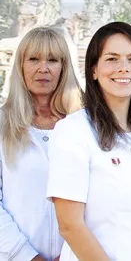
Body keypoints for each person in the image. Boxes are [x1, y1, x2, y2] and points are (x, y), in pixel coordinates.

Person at [46, 22, 131, 261]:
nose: (123, 68)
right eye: (112, 59)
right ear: (94, 70)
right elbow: (70, 225)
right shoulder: (73, 131)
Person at [0, 27, 82, 261]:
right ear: (21, 66)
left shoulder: (87, 125)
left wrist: (71, 253)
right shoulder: (2, 124)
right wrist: (26, 256)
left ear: (64, 67)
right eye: (34, 59)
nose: (43, 68)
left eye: (53, 60)